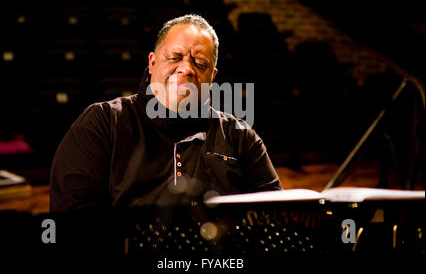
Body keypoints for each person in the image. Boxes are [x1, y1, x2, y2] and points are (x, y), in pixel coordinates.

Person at [50, 14, 282, 212]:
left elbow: (274, 215)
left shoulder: (241, 136)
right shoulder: (101, 123)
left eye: (200, 63)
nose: (187, 68)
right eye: (175, 57)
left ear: (212, 77)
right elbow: (75, 222)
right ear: (152, 63)